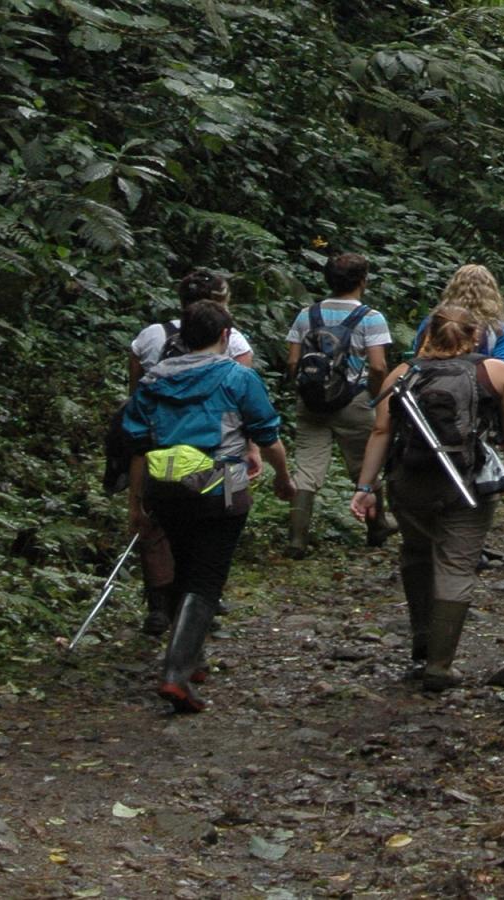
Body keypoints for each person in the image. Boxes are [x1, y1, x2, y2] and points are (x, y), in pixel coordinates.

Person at [123, 300, 296, 713]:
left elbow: (136, 441)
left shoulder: (152, 380)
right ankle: (176, 673)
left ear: (181, 339)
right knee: (208, 576)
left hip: (164, 483)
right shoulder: (237, 377)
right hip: (224, 481)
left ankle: (191, 659)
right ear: (224, 337)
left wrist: (136, 500)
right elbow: (267, 433)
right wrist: (285, 480)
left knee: (184, 566)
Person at [349, 308, 504, 691]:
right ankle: (440, 664)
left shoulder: (402, 374)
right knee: (457, 565)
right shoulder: (496, 373)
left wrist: (365, 488)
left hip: (409, 482)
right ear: (475, 335)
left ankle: (421, 645)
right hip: (468, 483)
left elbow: (381, 431)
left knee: (417, 555)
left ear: (427, 334)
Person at [125, 269, 258, 637]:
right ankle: (202, 607)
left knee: (158, 526)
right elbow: (245, 410)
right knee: (216, 535)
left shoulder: (151, 336)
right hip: (222, 458)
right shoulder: (235, 342)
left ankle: (159, 605)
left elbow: (136, 395)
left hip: (159, 450)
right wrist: (255, 451)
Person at [284, 252, 394, 557]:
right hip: (354, 400)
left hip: (311, 401)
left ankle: (296, 538)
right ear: (363, 281)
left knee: (307, 468)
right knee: (365, 466)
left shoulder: (307, 314)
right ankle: (377, 527)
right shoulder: (371, 318)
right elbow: (378, 367)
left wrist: (306, 388)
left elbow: (293, 360)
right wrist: (374, 397)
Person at [409, 264, 504, 363]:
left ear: (452, 289)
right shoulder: (499, 330)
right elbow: (503, 365)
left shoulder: (434, 321)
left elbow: (417, 354)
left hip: (431, 379)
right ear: (492, 293)